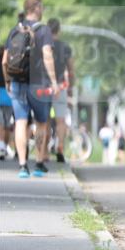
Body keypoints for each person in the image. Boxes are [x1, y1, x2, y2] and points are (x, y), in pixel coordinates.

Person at [3, 0, 60, 178]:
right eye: (41, 6)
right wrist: (54, 82)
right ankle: (38, 162)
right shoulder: (43, 30)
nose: (43, 9)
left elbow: (5, 60)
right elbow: (47, 56)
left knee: (20, 122)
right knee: (41, 123)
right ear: (36, 8)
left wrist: (7, 81)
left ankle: (22, 166)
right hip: (39, 84)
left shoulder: (15, 30)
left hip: (17, 81)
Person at [48, 18, 74, 163]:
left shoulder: (42, 46)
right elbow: (71, 69)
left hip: (44, 87)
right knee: (61, 120)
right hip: (60, 87)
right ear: (59, 30)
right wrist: (71, 87)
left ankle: (43, 152)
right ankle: (60, 148)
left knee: (43, 120)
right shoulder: (65, 47)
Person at [0, 46, 12, 161]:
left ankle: (3, 146)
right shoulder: (10, 64)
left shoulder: (6, 64)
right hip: (8, 95)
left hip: (4, 95)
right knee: (5, 123)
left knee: (3, 123)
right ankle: (3, 146)